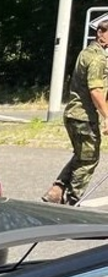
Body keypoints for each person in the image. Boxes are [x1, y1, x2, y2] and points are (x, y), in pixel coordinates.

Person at [45, 22, 108, 205]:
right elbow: (95, 90)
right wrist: (106, 116)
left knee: (82, 155)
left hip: (73, 114)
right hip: (84, 117)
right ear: (101, 33)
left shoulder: (87, 53)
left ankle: (56, 191)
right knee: (89, 160)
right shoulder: (97, 59)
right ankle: (71, 200)